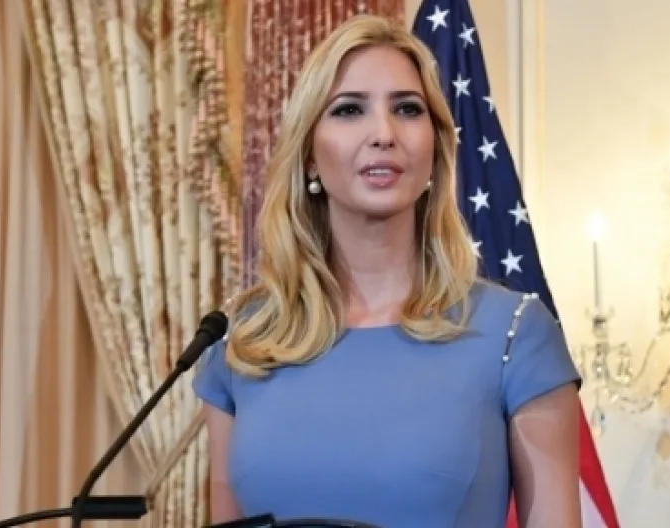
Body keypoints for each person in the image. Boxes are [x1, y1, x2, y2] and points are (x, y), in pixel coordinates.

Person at [193, 14, 582, 528]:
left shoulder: (515, 335)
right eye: (350, 109)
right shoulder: (242, 339)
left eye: (407, 109)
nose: (383, 133)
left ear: (435, 150)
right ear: (309, 156)